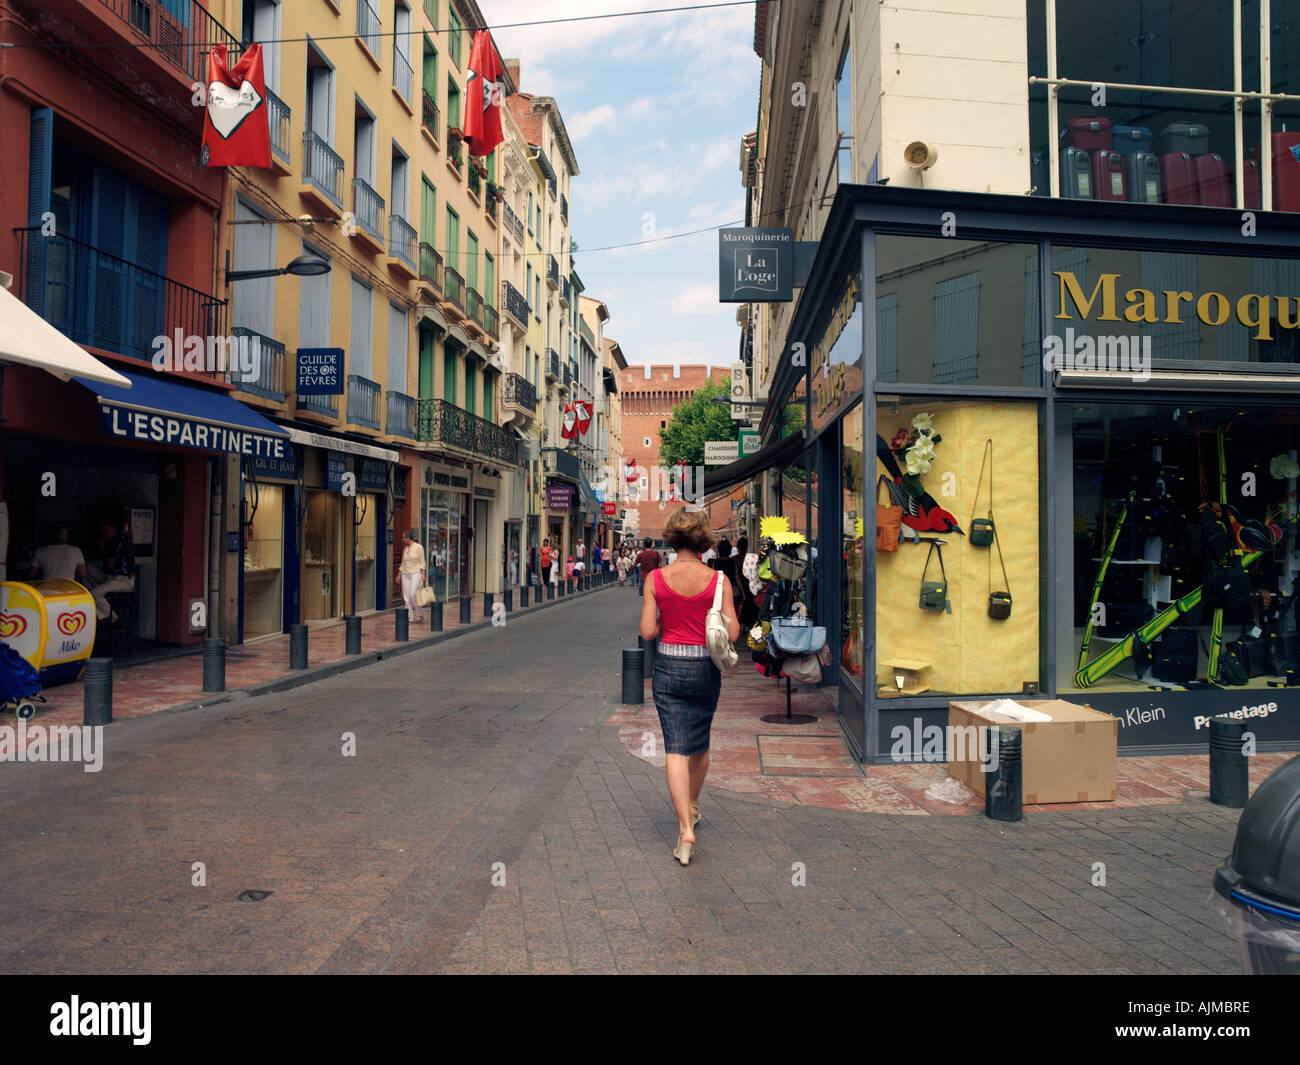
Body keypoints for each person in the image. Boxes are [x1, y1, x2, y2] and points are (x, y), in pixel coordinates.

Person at [640, 506, 740, 867]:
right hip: (704, 669)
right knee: (700, 740)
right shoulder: (718, 581)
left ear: (672, 537)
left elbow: (648, 632)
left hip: (668, 667)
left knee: (675, 747)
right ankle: (694, 805)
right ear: (704, 539)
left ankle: (685, 828)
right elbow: (732, 633)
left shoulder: (656, 579)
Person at [87, 519, 136, 622]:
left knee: (93, 593)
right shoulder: (113, 541)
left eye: (105, 531)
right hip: (112, 577)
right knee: (87, 567)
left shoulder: (120, 541)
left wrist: (101, 548)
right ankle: (102, 598)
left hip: (124, 580)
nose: (104, 535)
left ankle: (114, 618)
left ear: (109, 528)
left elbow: (110, 564)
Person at [396, 529, 427, 622]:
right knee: (406, 596)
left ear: (408, 538)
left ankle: (420, 614)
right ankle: (409, 617)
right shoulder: (405, 549)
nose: (402, 540)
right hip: (405, 573)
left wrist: (423, 574)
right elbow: (403, 563)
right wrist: (398, 575)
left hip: (415, 573)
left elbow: (422, 561)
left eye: (403, 538)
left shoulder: (418, 547)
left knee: (413, 594)